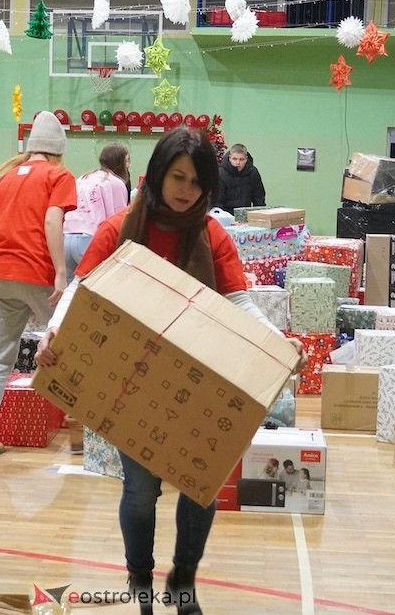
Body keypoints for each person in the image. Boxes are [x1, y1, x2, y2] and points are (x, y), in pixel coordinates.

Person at [34, 128, 305, 615]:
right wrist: (55, 331)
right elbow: (81, 289)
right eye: (178, 177)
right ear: (158, 174)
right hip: (132, 380)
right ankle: (139, 579)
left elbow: (237, 299)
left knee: (200, 489)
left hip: (201, 380)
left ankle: (183, 582)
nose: (187, 189)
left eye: (198, 182)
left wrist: (273, 341)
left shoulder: (212, 233)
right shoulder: (119, 227)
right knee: (140, 491)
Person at [0, 111, 76, 461]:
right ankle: (79, 426)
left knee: (1, 358)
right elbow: (52, 219)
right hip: (36, 274)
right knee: (71, 348)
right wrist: (60, 271)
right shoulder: (59, 175)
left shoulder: (7, 177)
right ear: (58, 150)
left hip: (2, 274)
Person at [63, 142, 130, 282]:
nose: (129, 165)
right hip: (89, 239)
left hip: (65, 238)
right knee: (91, 289)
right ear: (120, 162)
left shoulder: (82, 178)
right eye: (127, 160)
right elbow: (119, 222)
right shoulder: (116, 182)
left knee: (68, 293)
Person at [214, 143, 265, 213]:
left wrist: (260, 216)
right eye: (234, 159)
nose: (238, 162)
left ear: (246, 159)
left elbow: (259, 198)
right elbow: (218, 202)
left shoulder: (253, 172)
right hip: (226, 215)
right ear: (229, 158)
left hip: (246, 215)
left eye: (241, 159)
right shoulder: (221, 174)